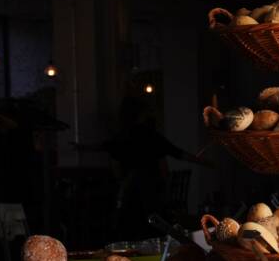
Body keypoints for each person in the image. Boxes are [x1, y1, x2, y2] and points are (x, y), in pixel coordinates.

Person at [75, 95, 211, 239]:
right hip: (150, 191)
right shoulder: (149, 135)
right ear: (141, 114)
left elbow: (105, 146)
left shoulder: (125, 135)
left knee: (133, 229)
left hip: (132, 191)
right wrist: (203, 161)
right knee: (152, 228)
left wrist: (84, 148)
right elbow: (177, 152)